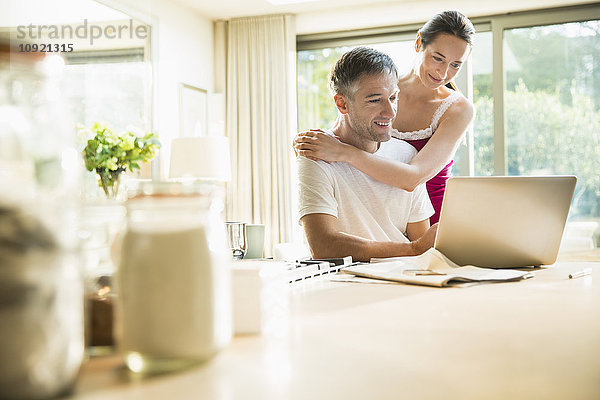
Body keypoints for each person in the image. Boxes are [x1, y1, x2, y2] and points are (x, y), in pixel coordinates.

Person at [295, 11, 475, 224]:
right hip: (384, 214)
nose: (444, 73)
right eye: (438, 58)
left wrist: (343, 152)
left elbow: (413, 178)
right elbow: (346, 128)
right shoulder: (382, 88)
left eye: (456, 64)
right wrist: (309, 144)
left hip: (437, 222)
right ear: (419, 43)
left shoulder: (458, 109)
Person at [298, 47, 437, 262]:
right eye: (375, 100)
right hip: (348, 283)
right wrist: (412, 250)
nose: (390, 112)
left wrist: (418, 250)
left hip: (407, 276)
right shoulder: (316, 155)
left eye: (393, 97)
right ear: (342, 104)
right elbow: (323, 246)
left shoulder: (407, 154)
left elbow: (423, 244)